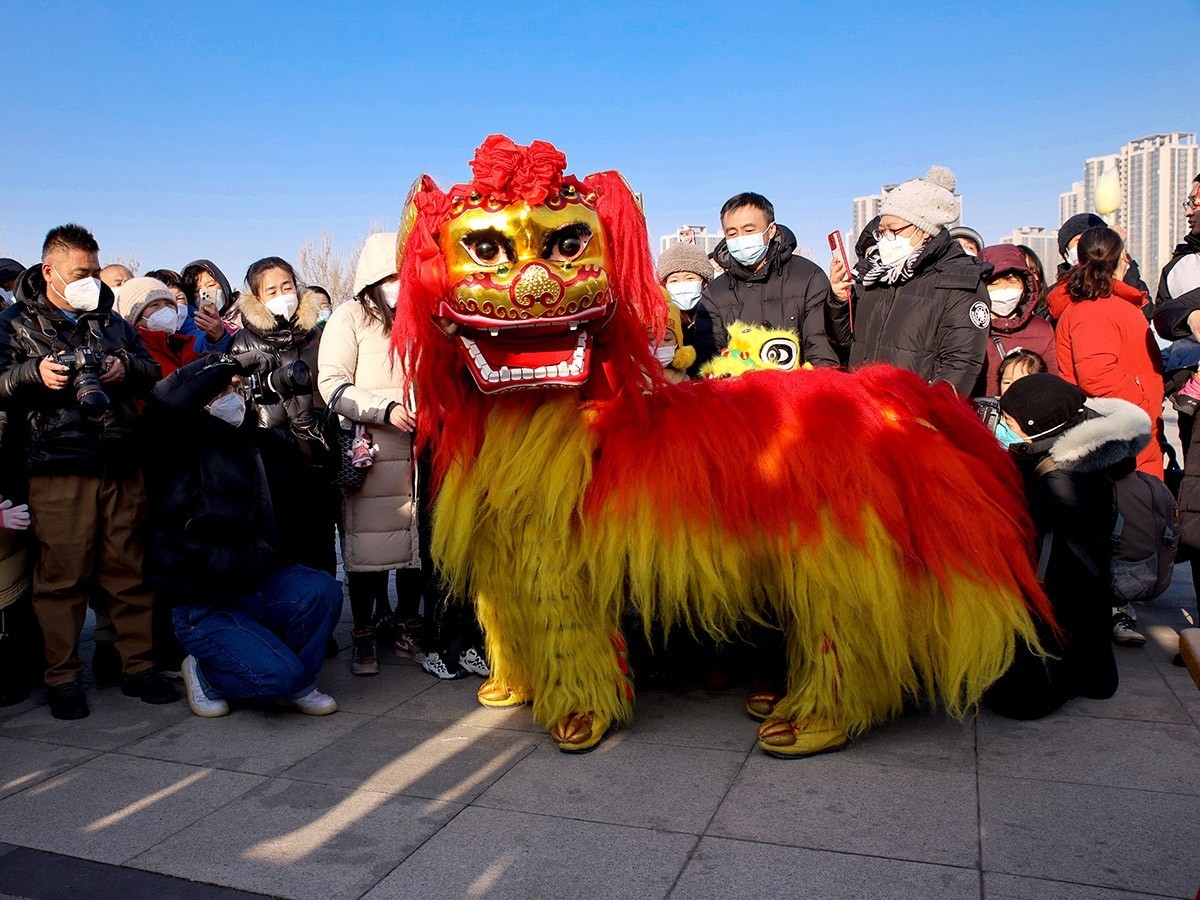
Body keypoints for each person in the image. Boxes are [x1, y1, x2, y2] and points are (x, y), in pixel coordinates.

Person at [0, 224, 177, 719]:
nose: (91, 282)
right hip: (56, 463)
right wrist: (32, 374)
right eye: (82, 273)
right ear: (48, 270)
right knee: (62, 576)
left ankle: (137, 668)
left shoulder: (110, 319)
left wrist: (124, 366)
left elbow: (151, 371)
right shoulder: (14, 323)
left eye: (97, 272)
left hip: (120, 458)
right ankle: (62, 676)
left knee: (130, 571)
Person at [143, 354, 341, 717]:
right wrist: (228, 362)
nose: (232, 396)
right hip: (204, 600)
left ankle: (295, 678)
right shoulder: (174, 444)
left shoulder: (261, 442)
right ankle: (207, 673)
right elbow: (163, 402)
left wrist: (303, 420)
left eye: (238, 388)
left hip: (258, 582)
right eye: (221, 391)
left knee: (322, 590)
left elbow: (320, 475)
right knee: (276, 680)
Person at [984, 374, 1140, 718]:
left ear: (1038, 427)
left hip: (1054, 580)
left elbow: (1040, 526)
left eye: (1008, 422)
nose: (1002, 427)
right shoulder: (1078, 453)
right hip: (1084, 576)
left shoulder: (1059, 476)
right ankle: (1090, 676)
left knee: (1018, 698)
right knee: (1085, 625)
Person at [317, 233, 422, 676]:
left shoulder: (422, 316)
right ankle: (363, 633)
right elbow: (332, 385)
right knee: (367, 550)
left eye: (406, 274)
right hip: (375, 451)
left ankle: (407, 625)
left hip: (423, 451)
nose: (399, 283)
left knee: (418, 549)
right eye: (391, 275)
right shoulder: (350, 317)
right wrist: (386, 409)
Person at [827, 166, 989, 395]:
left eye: (892, 230)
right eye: (881, 231)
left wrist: (926, 412)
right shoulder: (874, 274)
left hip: (916, 417)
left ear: (923, 230)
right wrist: (840, 302)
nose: (885, 239)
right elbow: (846, 344)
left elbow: (961, 363)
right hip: (866, 409)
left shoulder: (959, 280)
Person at [231, 256, 338, 577]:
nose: (282, 296)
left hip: (319, 453)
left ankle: (324, 620)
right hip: (271, 459)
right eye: (272, 291)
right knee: (281, 548)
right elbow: (241, 407)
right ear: (257, 298)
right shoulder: (242, 344)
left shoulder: (319, 338)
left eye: (287, 286)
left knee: (321, 547)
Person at [1050, 227, 1165, 478]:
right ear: (1122, 257)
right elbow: (1097, 375)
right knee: (1135, 512)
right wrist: (1143, 401)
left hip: (1128, 434)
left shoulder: (1108, 302)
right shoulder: (1095, 307)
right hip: (1123, 436)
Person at [704, 192, 839, 367]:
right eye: (732, 233)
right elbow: (708, 361)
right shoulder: (715, 293)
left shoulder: (808, 277)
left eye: (749, 230)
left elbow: (821, 352)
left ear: (771, 229)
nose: (741, 239)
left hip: (797, 390)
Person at [974, 244, 1058, 397]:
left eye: (1012, 282)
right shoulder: (971, 329)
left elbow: (1053, 382)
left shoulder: (1042, 329)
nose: (1004, 290)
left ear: (1025, 284)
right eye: (994, 284)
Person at [1056, 213, 1151, 316]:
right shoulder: (1058, 293)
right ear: (1066, 253)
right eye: (1079, 240)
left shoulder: (1132, 282)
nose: (1088, 245)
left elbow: (1147, 312)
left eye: (1097, 240)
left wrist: (1120, 256)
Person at [115, 277, 202, 377]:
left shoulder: (186, 344)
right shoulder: (131, 353)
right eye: (154, 305)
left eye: (169, 303)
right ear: (135, 316)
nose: (165, 309)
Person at [655, 242, 717, 374]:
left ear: (704, 283)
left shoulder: (716, 313)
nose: (682, 285)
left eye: (689, 278)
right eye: (674, 281)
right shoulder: (660, 319)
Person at [180, 259, 236, 353]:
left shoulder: (247, 315)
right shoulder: (190, 326)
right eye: (197, 291)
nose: (205, 293)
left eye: (211, 285)